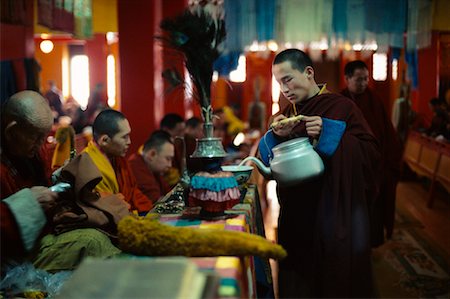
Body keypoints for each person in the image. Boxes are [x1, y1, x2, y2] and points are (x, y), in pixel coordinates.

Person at [266, 49, 380, 298]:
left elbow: (371, 155)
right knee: (298, 281)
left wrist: (328, 131)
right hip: (296, 212)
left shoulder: (341, 106)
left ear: (308, 73)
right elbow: (268, 160)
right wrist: (275, 135)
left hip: (332, 208)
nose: (284, 88)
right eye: (279, 83)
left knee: (332, 280)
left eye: (288, 79)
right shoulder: (287, 114)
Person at [341, 60, 403, 246]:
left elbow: (386, 132)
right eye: (359, 79)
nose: (363, 83)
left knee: (374, 207)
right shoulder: (340, 101)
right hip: (350, 164)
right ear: (347, 79)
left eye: (366, 79)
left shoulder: (374, 100)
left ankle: (372, 241)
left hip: (375, 164)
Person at [0, 90, 58, 264]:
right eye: (36, 137)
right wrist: (27, 204)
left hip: (40, 237)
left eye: (45, 137)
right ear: (11, 131)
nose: (42, 145)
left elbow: (47, 180)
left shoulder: (35, 150)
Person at [83, 109, 153, 213]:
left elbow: (132, 191)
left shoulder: (116, 158)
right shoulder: (88, 165)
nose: (129, 142)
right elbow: (105, 208)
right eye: (124, 137)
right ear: (104, 140)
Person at [128, 130, 173, 203]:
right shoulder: (134, 165)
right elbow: (155, 200)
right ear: (152, 154)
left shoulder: (154, 169)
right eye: (168, 159)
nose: (170, 165)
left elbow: (169, 193)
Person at [160, 113, 185, 187]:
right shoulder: (156, 148)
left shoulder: (178, 145)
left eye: (183, 131)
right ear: (166, 130)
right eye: (179, 131)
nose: (182, 135)